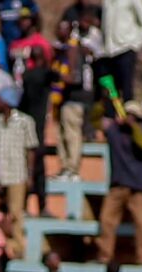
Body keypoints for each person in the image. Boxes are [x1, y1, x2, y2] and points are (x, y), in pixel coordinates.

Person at [0, 86, 38, 258]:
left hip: (17, 175)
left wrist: (30, 174)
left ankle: (18, 248)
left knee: (15, 214)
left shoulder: (25, 121)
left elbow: (30, 150)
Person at [96, 102, 142, 265]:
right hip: (117, 185)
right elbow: (95, 120)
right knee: (106, 220)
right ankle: (105, 256)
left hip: (138, 188)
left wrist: (133, 126)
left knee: (141, 224)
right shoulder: (114, 131)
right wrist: (103, 102)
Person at [51, 19, 92, 179]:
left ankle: (73, 169)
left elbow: (75, 78)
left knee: (71, 135)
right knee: (61, 136)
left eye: (62, 29)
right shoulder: (63, 50)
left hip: (74, 100)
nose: (58, 32)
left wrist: (57, 76)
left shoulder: (73, 49)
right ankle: (65, 168)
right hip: (62, 101)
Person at [19, 46, 54, 215]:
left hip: (25, 127)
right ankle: (41, 206)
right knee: (38, 170)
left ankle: (25, 206)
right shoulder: (46, 74)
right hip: (37, 129)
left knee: (26, 169)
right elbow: (63, 77)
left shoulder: (27, 75)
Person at [99, 0, 142, 105]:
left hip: (125, 48)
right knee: (110, 89)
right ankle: (112, 115)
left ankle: (128, 115)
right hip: (108, 50)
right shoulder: (106, 2)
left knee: (126, 87)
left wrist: (136, 44)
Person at [9, 7, 53, 81]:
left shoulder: (40, 41)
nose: (22, 22)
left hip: (33, 81)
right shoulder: (14, 43)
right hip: (16, 81)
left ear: (32, 21)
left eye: (25, 19)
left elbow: (48, 64)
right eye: (20, 20)